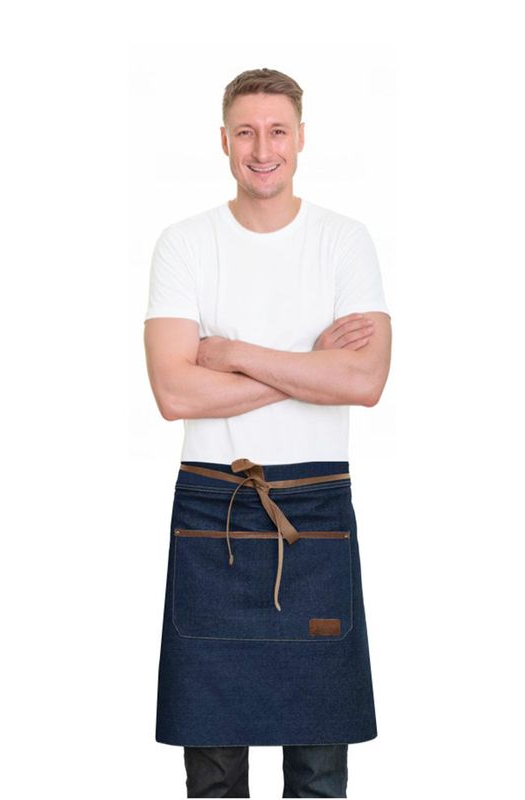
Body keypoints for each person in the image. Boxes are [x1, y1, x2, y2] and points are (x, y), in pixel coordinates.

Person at [143, 67, 392, 798]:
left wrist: (233, 353)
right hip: (212, 509)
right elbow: (173, 392)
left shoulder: (344, 241)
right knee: (213, 771)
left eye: (277, 131)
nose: (262, 149)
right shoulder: (185, 244)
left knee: (318, 770)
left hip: (316, 512)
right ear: (223, 140)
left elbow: (365, 381)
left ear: (301, 138)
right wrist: (309, 366)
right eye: (246, 132)